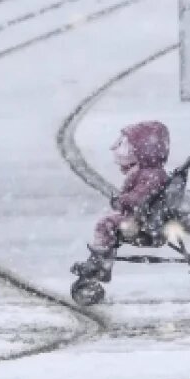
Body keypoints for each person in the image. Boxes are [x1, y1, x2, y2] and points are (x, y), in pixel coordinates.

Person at [72, 121, 172, 282]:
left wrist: (121, 201)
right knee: (109, 225)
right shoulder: (149, 172)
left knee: (106, 224)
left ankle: (100, 265)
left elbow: (138, 199)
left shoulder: (150, 175)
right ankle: (100, 263)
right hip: (143, 220)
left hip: (143, 225)